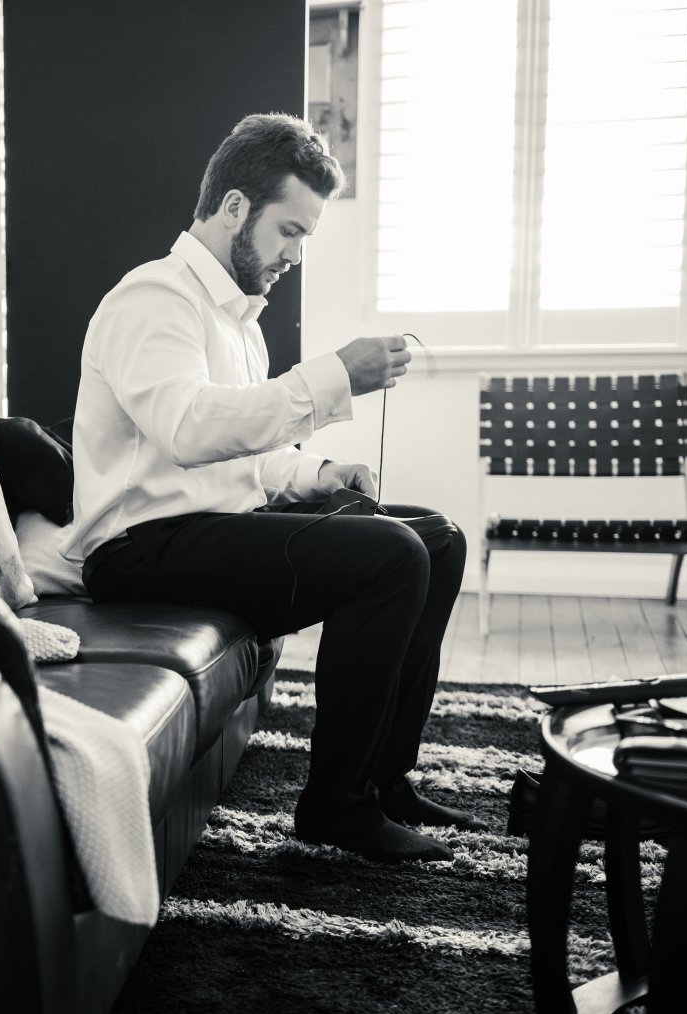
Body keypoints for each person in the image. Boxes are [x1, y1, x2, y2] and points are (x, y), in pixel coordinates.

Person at [60, 112, 474, 864]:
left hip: (210, 532)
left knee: (438, 538)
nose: (296, 255)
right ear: (234, 208)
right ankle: (336, 807)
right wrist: (335, 375)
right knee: (390, 556)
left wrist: (320, 474)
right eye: (290, 231)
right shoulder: (153, 299)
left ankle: (385, 779)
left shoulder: (239, 323)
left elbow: (246, 460)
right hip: (140, 551)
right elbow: (189, 429)